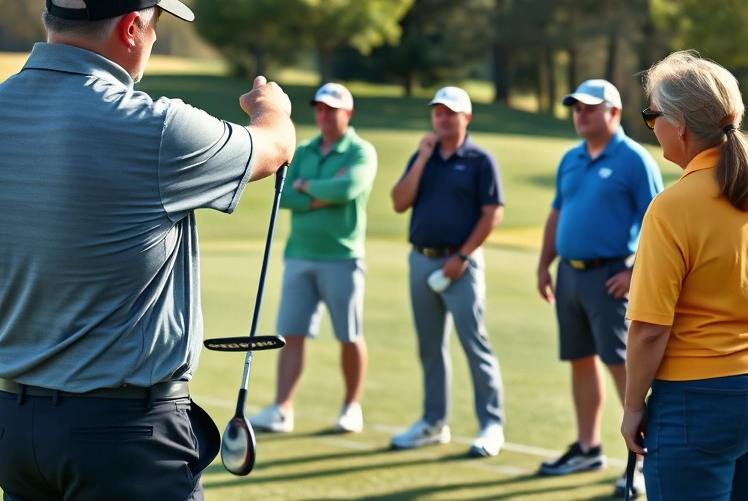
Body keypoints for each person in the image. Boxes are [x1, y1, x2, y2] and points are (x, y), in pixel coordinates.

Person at [0, 0, 295, 501]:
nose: (155, 38)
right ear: (131, 28)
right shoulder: (154, 128)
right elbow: (273, 146)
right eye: (155, 25)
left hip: (16, 426)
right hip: (124, 436)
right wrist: (272, 109)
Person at [620, 51, 748, 500]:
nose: (650, 125)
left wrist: (632, 407)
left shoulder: (672, 207)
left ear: (678, 124)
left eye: (651, 114)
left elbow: (649, 331)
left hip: (700, 400)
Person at [536, 79, 662, 496]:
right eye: (576, 108)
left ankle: (644, 461)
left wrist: (633, 271)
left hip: (611, 278)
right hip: (570, 276)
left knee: (624, 369)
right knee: (579, 360)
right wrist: (544, 264)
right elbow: (558, 213)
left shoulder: (634, 160)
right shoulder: (571, 158)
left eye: (589, 108)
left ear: (613, 112)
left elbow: (658, 226)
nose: (580, 114)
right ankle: (588, 447)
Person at [250, 83, 377, 434]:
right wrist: (315, 191)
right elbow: (284, 195)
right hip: (300, 256)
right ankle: (282, 408)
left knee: (349, 335)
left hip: (342, 257)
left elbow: (347, 188)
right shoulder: (302, 150)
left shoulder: (361, 152)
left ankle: (352, 407)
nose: (323, 114)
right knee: (291, 334)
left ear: (347, 114)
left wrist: (308, 185)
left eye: (331, 109)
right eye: (319, 108)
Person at [389, 86, 507, 458]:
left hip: (462, 265)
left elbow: (493, 214)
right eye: (437, 112)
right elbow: (399, 201)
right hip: (421, 260)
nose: (442, 118)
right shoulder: (423, 155)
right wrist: (423, 159)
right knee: (430, 347)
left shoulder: (480, 160)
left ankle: (491, 424)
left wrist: (463, 256)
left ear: (466, 118)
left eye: (449, 113)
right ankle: (433, 422)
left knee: (475, 344)